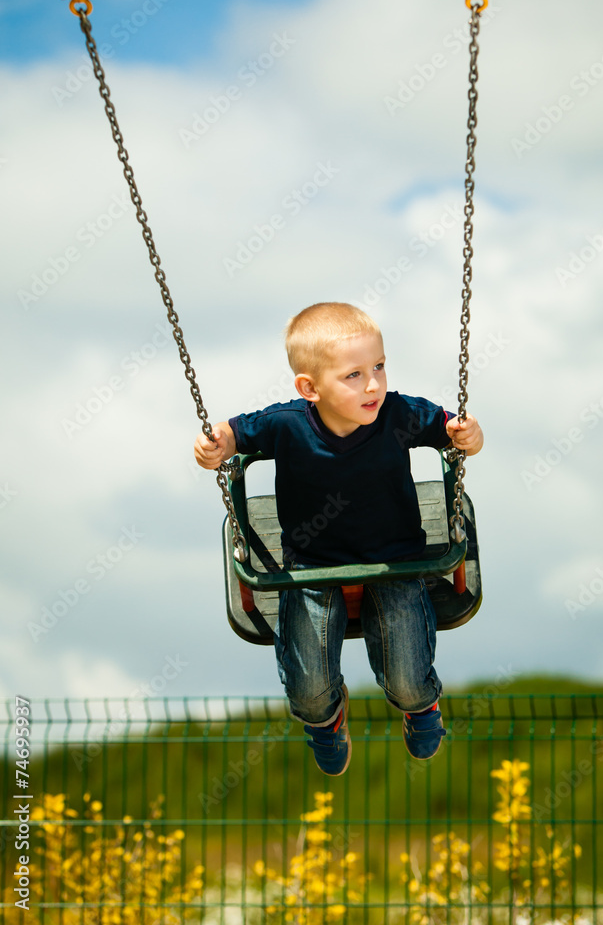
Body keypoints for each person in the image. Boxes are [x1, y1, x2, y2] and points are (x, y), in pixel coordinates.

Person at [194, 302, 483, 776]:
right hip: (311, 564)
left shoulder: (398, 414)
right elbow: (232, 434)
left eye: (379, 367)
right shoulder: (286, 423)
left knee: (409, 680)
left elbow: (453, 429)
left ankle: (422, 707)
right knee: (309, 694)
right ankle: (327, 721)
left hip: (396, 560)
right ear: (310, 388)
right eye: (353, 375)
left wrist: (468, 435)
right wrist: (214, 447)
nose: (373, 384)